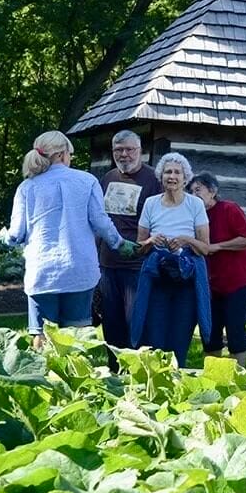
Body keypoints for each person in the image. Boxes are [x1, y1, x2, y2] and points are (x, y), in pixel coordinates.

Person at [7, 131, 137, 349]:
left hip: (42, 272)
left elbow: (16, 234)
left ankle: (43, 379)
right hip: (79, 270)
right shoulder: (87, 181)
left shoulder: (26, 188)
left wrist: (9, 240)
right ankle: (73, 378)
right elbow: (100, 222)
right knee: (75, 337)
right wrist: (120, 243)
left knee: (42, 336)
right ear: (62, 154)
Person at [132, 152, 211, 368]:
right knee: (155, 338)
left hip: (186, 281)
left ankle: (179, 384)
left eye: (177, 172)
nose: (172, 176)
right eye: (168, 172)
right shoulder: (151, 203)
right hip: (157, 279)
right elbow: (138, 248)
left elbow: (205, 248)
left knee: (179, 339)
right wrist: (150, 240)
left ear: (185, 178)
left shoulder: (195, 204)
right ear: (161, 176)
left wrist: (186, 240)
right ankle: (157, 383)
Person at [97, 129, 162, 369]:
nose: (124, 154)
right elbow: (99, 220)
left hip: (139, 264)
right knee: (111, 321)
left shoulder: (154, 179)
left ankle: (138, 371)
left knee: (136, 321)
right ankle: (114, 370)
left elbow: (163, 218)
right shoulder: (108, 178)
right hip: (108, 264)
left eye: (129, 149)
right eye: (118, 150)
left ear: (140, 151)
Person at [188, 172, 246, 367]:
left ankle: (238, 377)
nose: (195, 194)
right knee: (210, 331)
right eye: (191, 191)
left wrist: (217, 246)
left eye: (198, 189)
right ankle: (214, 376)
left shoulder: (229, 209)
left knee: (235, 330)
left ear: (212, 191)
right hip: (210, 284)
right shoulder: (196, 216)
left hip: (236, 282)